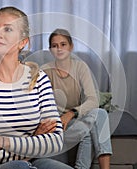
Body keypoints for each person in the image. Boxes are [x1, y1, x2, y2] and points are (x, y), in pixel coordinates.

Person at [0, 7, 73, 169]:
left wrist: (0, 142)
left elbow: (55, 142)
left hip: (32, 163)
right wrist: (32, 143)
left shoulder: (39, 79)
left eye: (8, 29)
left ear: (23, 41)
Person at [40, 28, 112, 169]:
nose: (59, 49)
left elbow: (93, 100)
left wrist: (71, 113)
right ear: (50, 50)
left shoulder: (80, 67)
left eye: (63, 44)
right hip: (56, 123)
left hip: (75, 117)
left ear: (71, 47)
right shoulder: (44, 71)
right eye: (55, 46)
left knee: (100, 114)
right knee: (87, 129)